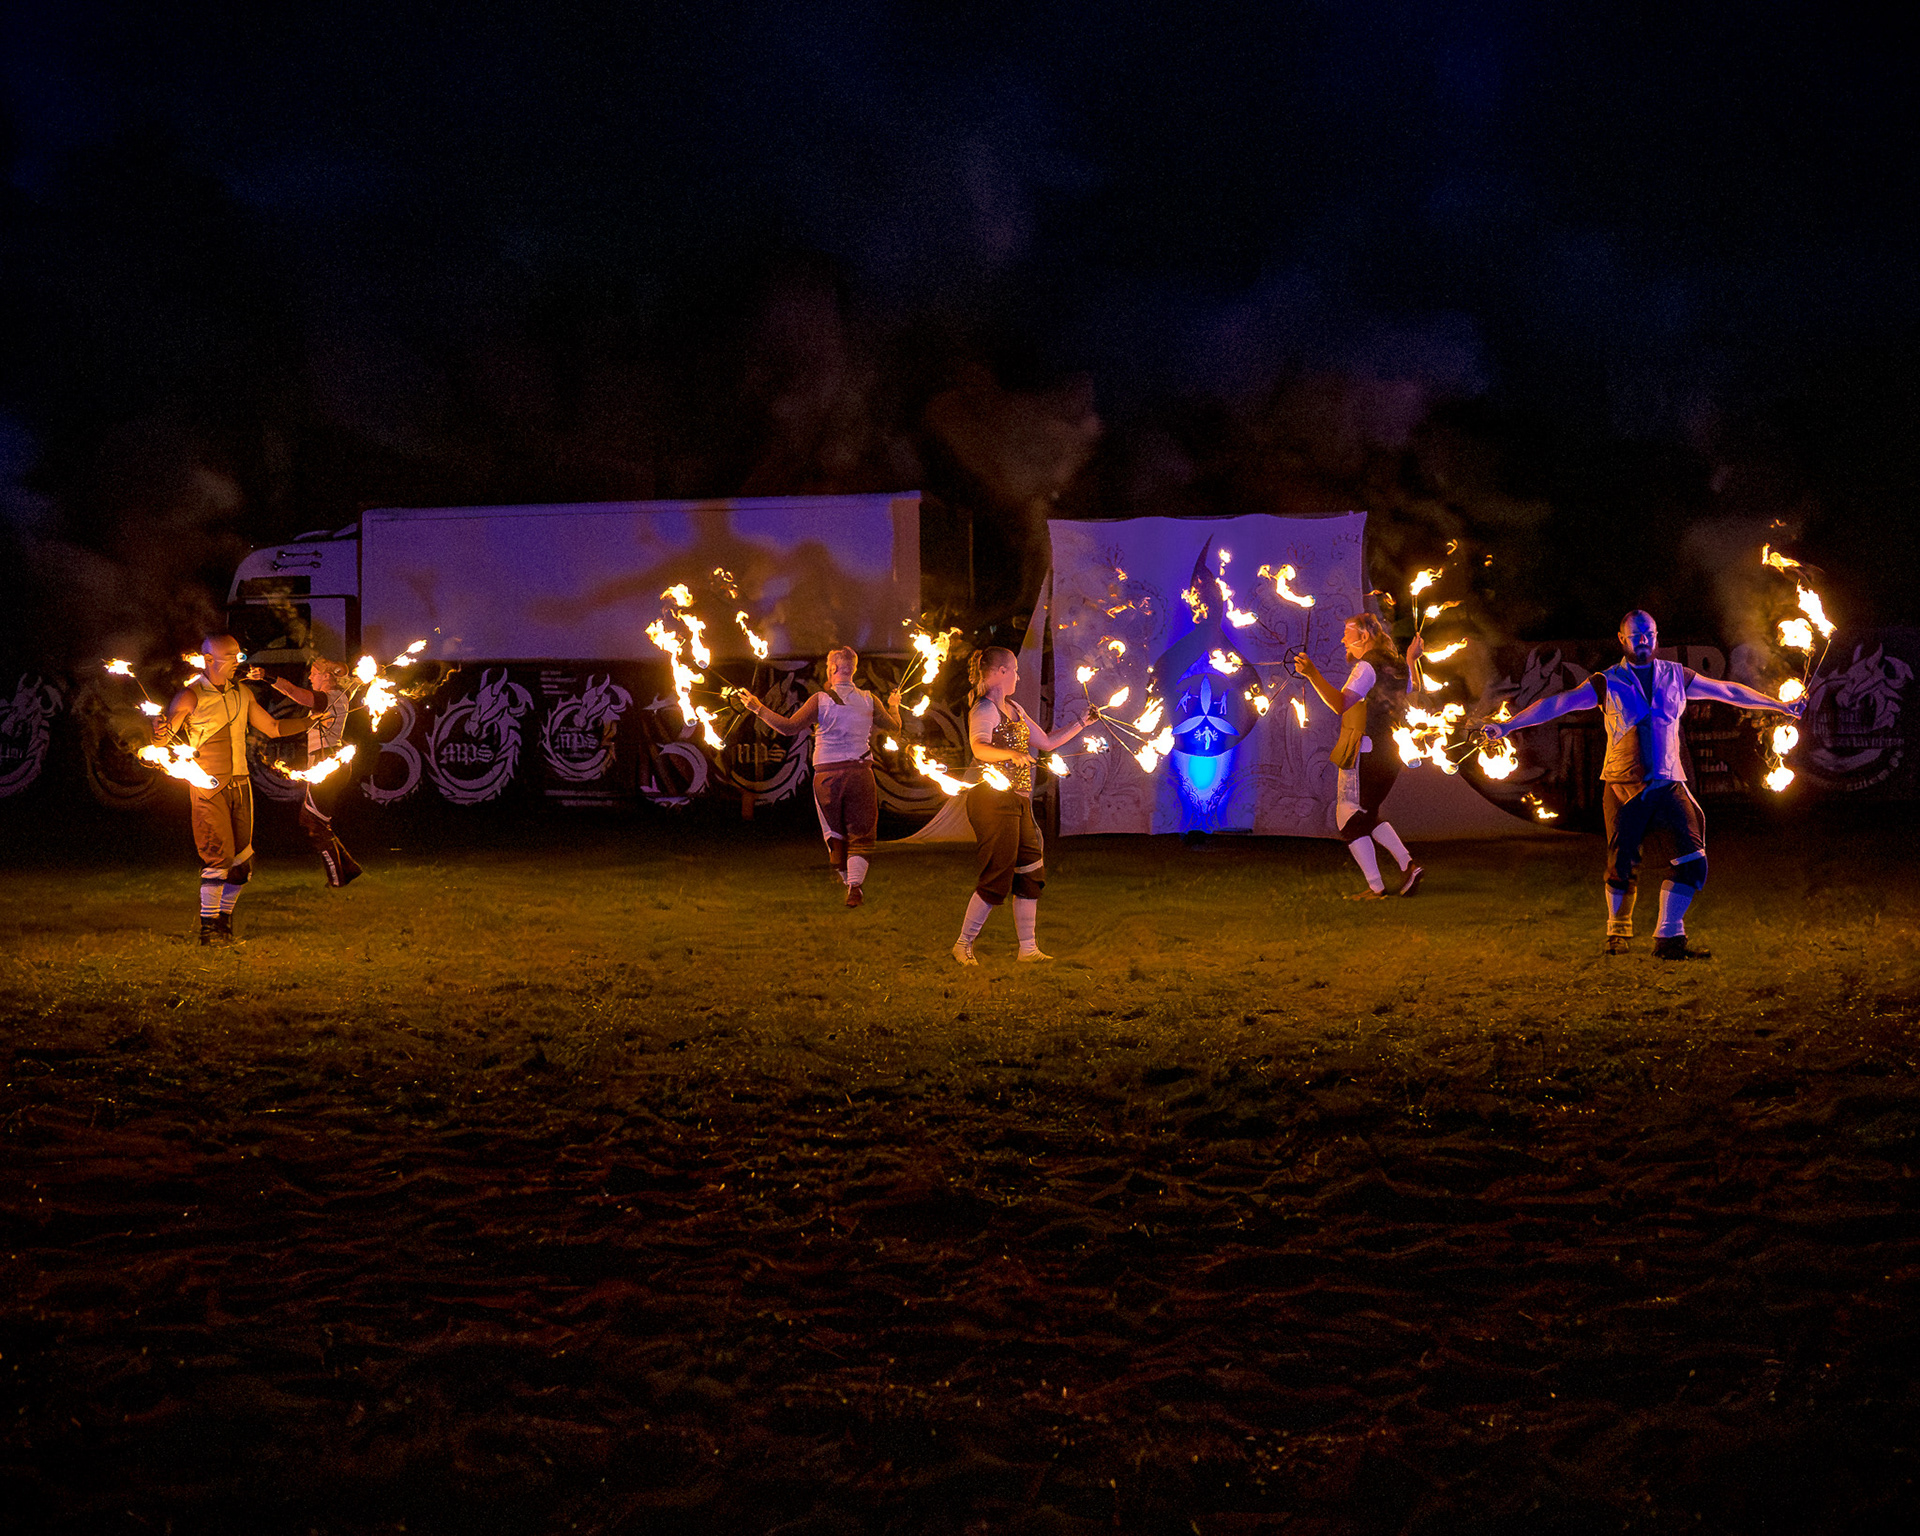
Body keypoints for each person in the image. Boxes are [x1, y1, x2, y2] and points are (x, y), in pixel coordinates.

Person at [1482, 609, 1804, 959]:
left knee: (1693, 862)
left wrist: (1778, 705)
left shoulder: (1676, 676)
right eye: (1635, 635)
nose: (1643, 640)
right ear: (1621, 639)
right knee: (1621, 866)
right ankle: (1617, 934)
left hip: (1669, 783)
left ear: (1656, 636)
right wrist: (1507, 726)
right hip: (1622, 785)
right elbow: (1558, 703)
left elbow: (1727, 691)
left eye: (1648, 633)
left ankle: (1669, 939)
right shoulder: (1607, 682)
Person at [153, 635, 323, 944]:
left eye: (238, 654)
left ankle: (224, 925)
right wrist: (159, 732)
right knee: (219, 858)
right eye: (229, 655)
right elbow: (165, 739)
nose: (237, 660)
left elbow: (272, 728)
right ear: (208, 660)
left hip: (241, 785)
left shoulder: (242, 693)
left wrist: (311, 721)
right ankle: (208, 931)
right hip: (210, 787)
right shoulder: (190, 696)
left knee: (242, 865)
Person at [952, 646, 1097, 965]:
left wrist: (1081, 724)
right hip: (992, 801)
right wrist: (1013, 754)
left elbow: (1044, 742)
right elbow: (980, 748)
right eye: (1014, 670)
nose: (1018, 675)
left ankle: (1028, 949)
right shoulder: (985, 708)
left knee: (1031, 870)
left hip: (1018, 802)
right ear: (1001, 672)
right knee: (998, 873)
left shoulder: (1014, 707)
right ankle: (963, 944)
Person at [737, 648, 902, 907]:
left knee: (834, 832)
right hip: (860, 773)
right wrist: (895, 706)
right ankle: (855, 886)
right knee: (861, 831)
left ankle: (849, 883)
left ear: (833, 669)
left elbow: (788, 727)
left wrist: (758, 708)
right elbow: (896, 727)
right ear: (854, 669)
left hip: (827, 776)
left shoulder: (820, 700)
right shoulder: (870, 699)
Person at [1293, 613, 1425, 898]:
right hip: (1391, 752)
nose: (1343, 639)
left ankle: (1376, 887)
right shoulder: (1398, 665)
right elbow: (1413, 689)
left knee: (1348, 819)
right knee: (1367, 813)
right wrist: (1412, 660)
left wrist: (1312, 674)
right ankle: (1409, 865)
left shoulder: (1366, 666)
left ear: (1364, 636)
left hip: (1366, 751)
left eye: (1347, 633)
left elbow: (1341, 704)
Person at [258, 656, 363, 888]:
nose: (310, 676)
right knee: (315, 821)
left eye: (314, 672)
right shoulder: (341, 696)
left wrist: (267, 677)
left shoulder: (325, 698)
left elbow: (293, 692)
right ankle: (349, 869)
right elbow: (351, 680)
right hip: (331, 761)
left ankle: (337, 880)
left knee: (312, 822)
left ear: (326, 677)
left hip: (326, 762)